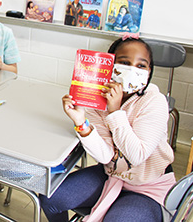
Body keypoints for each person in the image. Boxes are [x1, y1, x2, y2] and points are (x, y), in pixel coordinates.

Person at [40, 37, 175, 222]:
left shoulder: (154, 101)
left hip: (148, 187)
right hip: (110, 176)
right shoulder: (97, 98)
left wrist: (115, 111)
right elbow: (105, 156)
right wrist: (81, 122)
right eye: (125, 63)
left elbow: (137, 155)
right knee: (49, 198)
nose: (132, 70)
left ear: (150, 71)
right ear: (110, 64)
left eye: (141, 66)